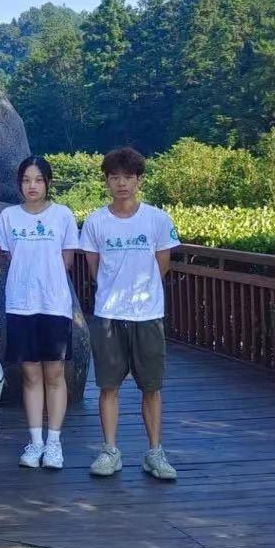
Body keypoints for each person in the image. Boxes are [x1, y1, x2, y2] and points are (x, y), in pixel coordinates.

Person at [80, 147, 181, 480]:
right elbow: (94, 268)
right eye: (114, 177)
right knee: (108, 386)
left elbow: (162, 263)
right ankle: (110, 451)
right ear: (107, 181)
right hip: (109, 313)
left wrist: (143, 292)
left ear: (139, 180)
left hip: (148, 314)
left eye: (128, 177)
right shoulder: (95, 221)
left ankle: (155, 452)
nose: (121, 183)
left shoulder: (157, 219)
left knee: (151, 386)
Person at [0, 156, 80, 469]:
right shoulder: (8, 217)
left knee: (55, 374)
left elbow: (67, 260)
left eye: (38, 180)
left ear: (48, 183)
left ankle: (54, 443)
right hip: (20, 304)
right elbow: (8, 255)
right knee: (30, 375)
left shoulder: (63, 215)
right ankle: (35, 442)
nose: (32, 186)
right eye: (26, 180)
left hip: (54, 304)